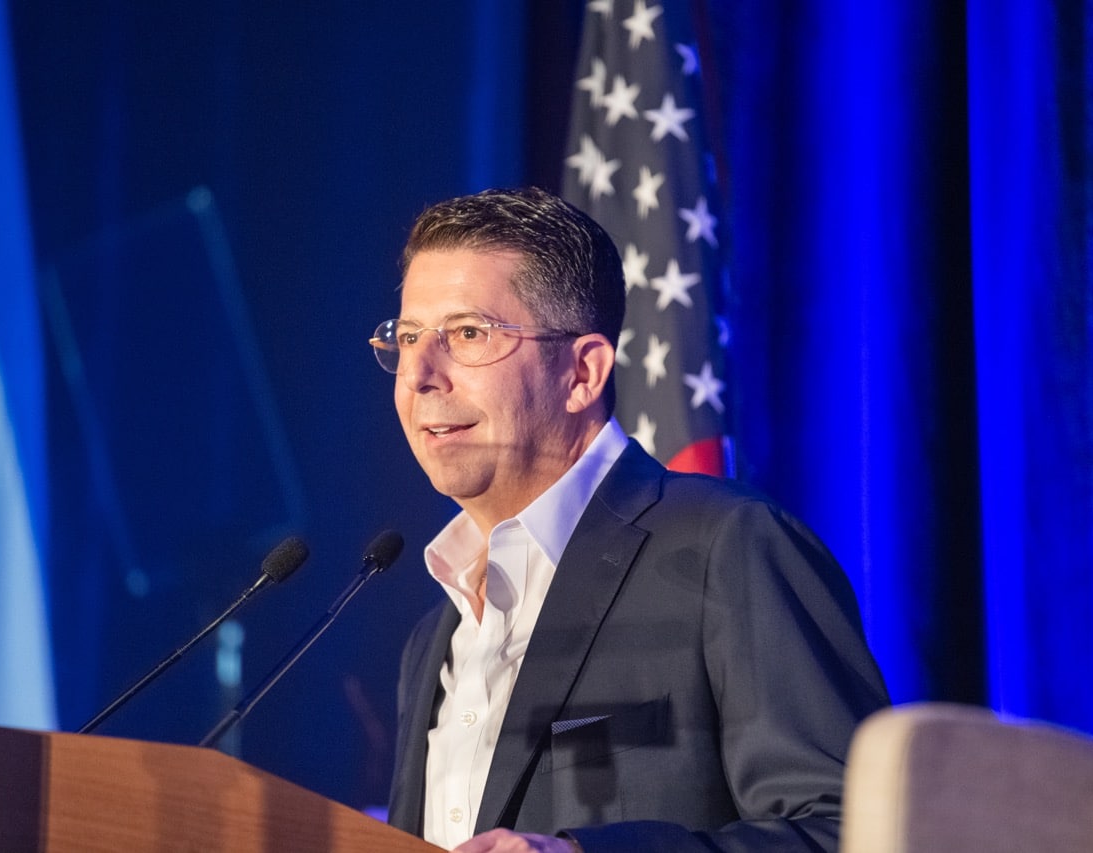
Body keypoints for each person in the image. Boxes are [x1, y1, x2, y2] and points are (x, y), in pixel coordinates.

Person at [373, 187, 889, 853]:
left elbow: (852, 830)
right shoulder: (431, 639)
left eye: (468, 333)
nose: (418, 374)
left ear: (582, 373)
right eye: (408, 337)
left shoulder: (726, 546)